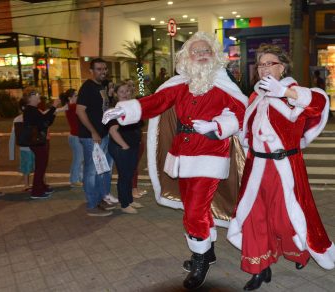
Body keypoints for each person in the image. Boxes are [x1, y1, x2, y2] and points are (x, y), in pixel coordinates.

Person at [103, 32, 247, 289]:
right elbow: (155, 102)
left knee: (194, 211)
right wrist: (125, 108)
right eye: (197, 51)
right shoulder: (180, 85)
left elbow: (243, 114)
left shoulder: (224, 86)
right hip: (182, 156)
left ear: (214, 56)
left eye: (207, 51)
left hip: (211, 155)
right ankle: (207, 250)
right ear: (187, 57)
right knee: (195, 208)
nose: (202, 55)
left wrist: (217, 125)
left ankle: (201, 258)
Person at [227, 44, 335, 291]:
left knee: (286, 217)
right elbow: (244, 126)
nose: (264, 68)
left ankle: (299, 252)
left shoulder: (294, 91)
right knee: (254, 217)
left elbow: (318, 103)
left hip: (284, 166)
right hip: (256, 166)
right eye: (261, 64)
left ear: (282, 66)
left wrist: (286, 91)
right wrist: (220, 124)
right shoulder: (254, 97)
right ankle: (259, 268)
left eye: (270, 63)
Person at [76, 58, 118, 217]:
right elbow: (80, 111)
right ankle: (92, 204)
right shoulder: (87, 87)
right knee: (92, 170)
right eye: (99, 69)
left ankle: (103, 197)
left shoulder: (104, 85)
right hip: (91, 137)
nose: (103, 72)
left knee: (104, 169)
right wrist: (93, 132)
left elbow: (105, 108)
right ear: (91, 71)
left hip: (104, 134)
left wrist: (110, 95)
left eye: (105, 69)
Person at [22, 87, 65, 199]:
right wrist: (54, 106)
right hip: (37, 141)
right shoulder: (30, 110)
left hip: (39, 140)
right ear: (30, 97)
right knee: (40, 166)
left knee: (42, 164)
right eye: (36, 94)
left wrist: (53, 112)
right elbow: (43, 121)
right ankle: (36, 191)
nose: (39, 96)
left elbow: (47, 121)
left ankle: (41, 186)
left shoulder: (32, 109)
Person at [108, 82, 144, 214]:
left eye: (127, 91)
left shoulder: (132, 106)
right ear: (116, 94)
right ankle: (124, 204)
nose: (125, 94)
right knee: (124, 176)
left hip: (132, 146)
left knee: (129, 175)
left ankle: (129, 200)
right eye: (122, 91)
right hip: (121, 147)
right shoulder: (115, 109)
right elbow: (113, 131)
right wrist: (124, 146)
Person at [9, 99, 35, 192]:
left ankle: (30, 184)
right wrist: (11, 153)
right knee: (27, 166)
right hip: (27, 147)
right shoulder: (18, 119)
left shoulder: (18, 119)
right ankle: (27, 184)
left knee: (35, 165)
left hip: (30, 146)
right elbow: (13, 134)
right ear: (24, 107)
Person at [64, 89, 84, 188]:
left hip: (76, 136)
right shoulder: (72, 106)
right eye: (76, 95)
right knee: (78, 159)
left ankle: (79, 178)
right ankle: (74, 179)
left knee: (79, 159)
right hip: (75, 136)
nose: (78, 97)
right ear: (70, 98)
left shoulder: (72, 107)